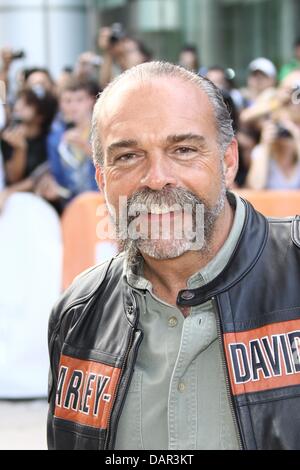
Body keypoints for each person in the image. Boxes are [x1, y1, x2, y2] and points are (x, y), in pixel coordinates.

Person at [48, 62, 300, 450]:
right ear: (101, 179)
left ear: (228, 161)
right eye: (128, 156)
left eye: (183, 149)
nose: (156, 177)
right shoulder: (78, 314)